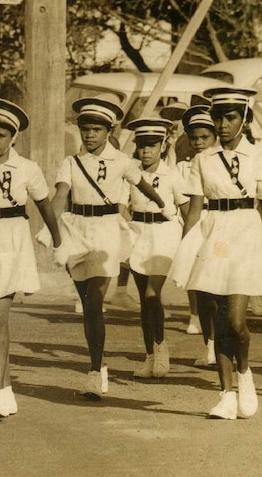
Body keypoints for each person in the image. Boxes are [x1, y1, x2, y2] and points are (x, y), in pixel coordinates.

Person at [48, 93, 170, 400]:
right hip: (76, 229)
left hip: (107, 230)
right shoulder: (71, 162)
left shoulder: (123, 162)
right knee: (87, 303)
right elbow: (61, 195)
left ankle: (93, 371)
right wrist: (51, 228)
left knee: (94, 301)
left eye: (97, 129)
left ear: (109, 132)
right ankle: (99, 363)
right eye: (85, 128)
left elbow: (141, 183)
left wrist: (161, 204)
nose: (90, 134)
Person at [180, 87, 262, 420]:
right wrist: (186, 250)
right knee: (217, 315)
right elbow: (194, 208)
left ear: (245, 119)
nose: (222, 125)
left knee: (236, 321)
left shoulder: (259, 157)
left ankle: (245, 373)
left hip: (246, 232)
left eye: (230, 117)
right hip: (214, 234)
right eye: (218, 118)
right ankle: (225, 394)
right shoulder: (202, 159)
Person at [0, 98, 62, 418]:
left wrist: (58, 240)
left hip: (12, 241)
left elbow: (45, 206)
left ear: (13, 138)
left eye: (0, 136)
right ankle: (5, 386)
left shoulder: (28, 169)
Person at [125, 117, 187, 379]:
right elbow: (121, 206)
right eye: (142, 145)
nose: (146, 151)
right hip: (139, 233)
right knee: (144, 301)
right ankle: (150, 354)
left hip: (164, 234)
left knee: (152, 294)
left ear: (163, 146)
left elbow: (185, 208)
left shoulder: (173, 175)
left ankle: (162, 350)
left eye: (152, 145)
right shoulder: (130, 174)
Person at [169, 105, 218, 367]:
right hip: (197, 227)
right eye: (194, 138)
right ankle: (210, 346)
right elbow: (187, 209)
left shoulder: (224, 163)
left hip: (224, 229)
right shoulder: (182, 169)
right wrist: (188, 245)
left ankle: (224, 345)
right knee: (202, 291)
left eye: (205, 138)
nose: (199, 143)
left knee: (222, 290)